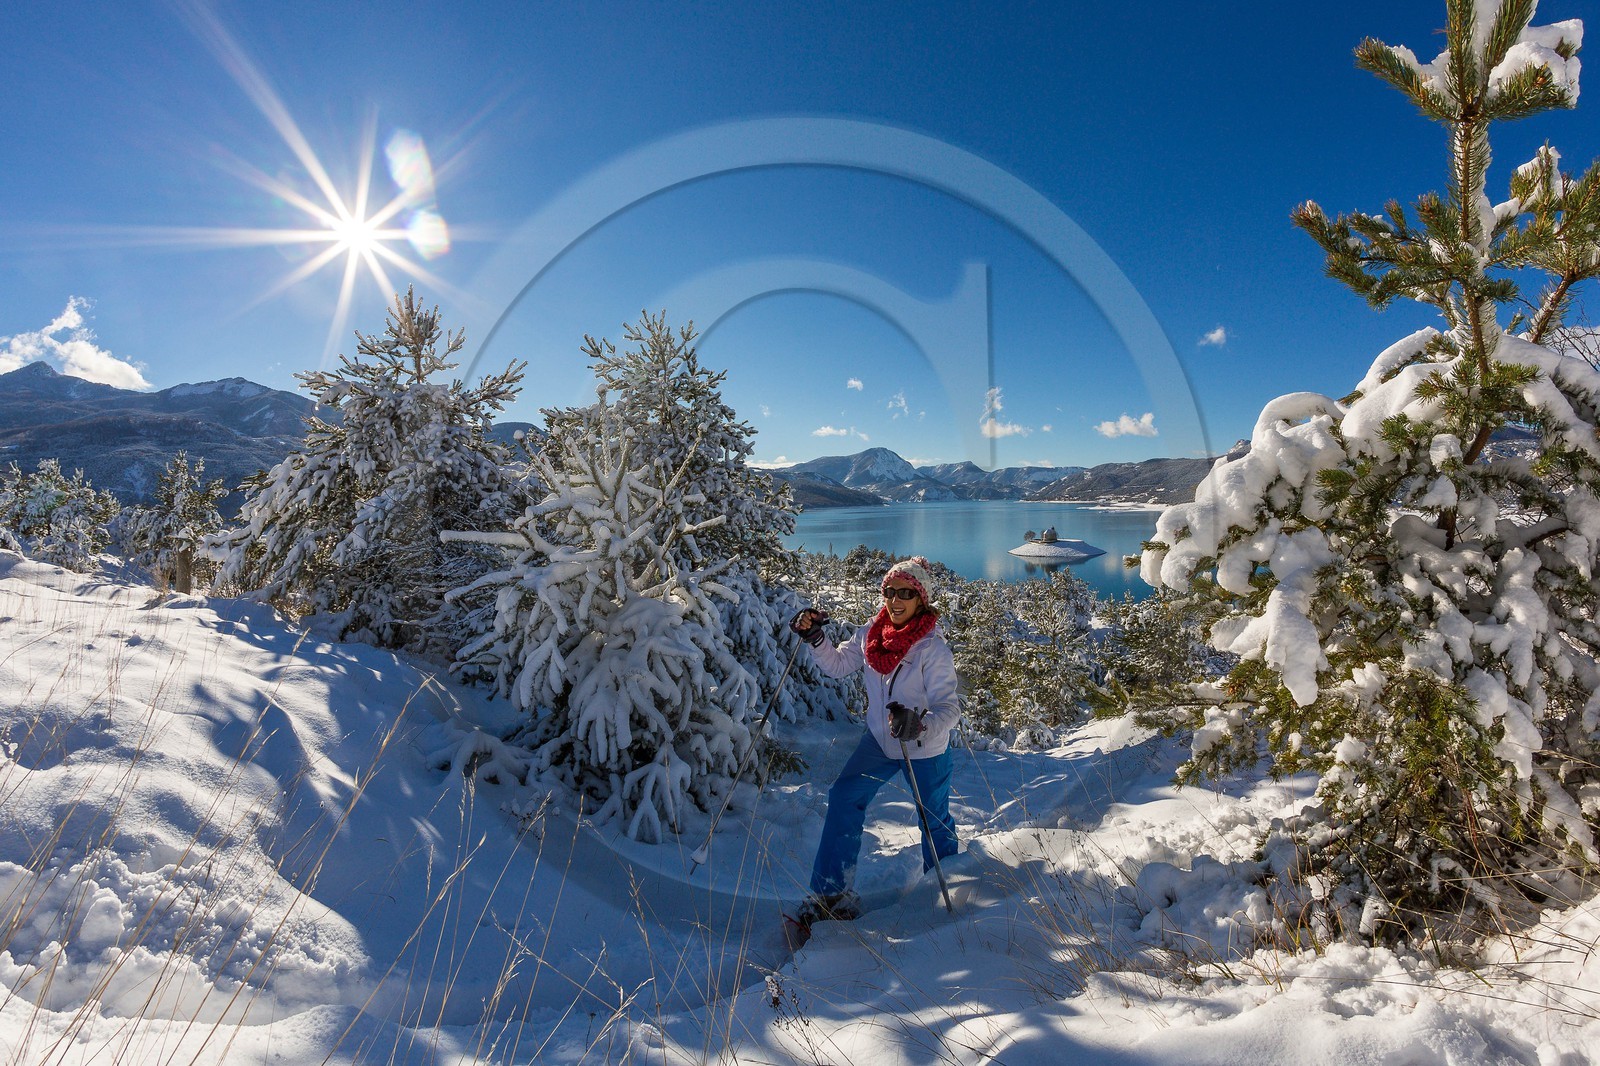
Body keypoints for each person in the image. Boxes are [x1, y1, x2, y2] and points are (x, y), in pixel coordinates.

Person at [788, 555, 960, 922]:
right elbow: (837, 666)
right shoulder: (870, 634)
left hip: (924, 749)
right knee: (844, 796)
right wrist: (816, 639)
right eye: (889, 591)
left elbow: (949, 709)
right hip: (881, 743)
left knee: (934, 821)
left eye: (905, 593)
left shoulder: (931, 648)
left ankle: (948, 893)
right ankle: (831, 894)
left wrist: (919, 725)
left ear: (921, 600)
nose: (895, 600)